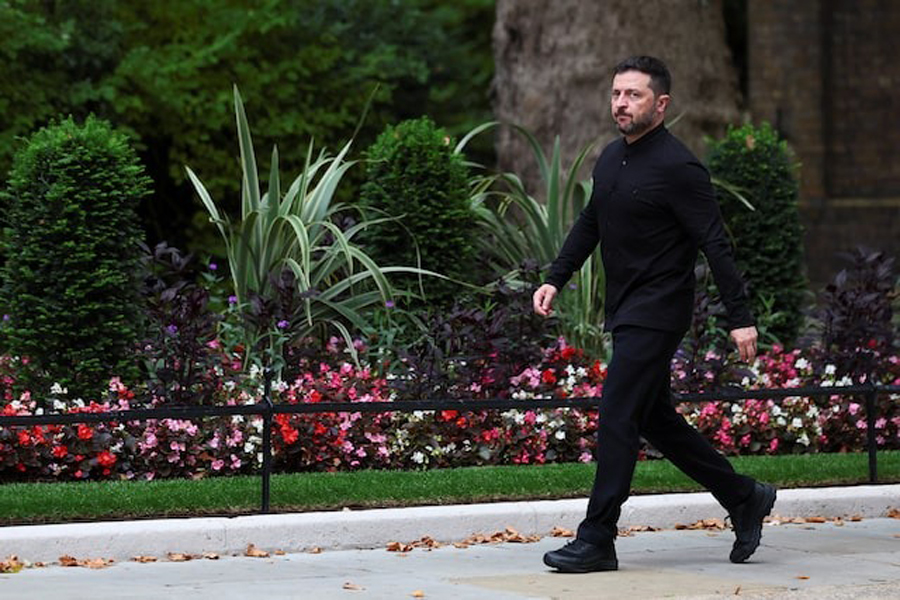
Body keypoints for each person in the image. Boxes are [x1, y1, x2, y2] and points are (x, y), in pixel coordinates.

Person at [533, 56, 776, 573]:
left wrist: (740, 316)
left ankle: (597, 537)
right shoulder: (611, 159)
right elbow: (590, 222)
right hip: (625, 308)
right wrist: (556, 276)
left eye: (634, 95)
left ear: (661, 104)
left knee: (617, 413)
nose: (621, 103)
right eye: (617, 93)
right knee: (655, 421)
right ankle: (744, 497)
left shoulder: (679, 167)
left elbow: (715, 242)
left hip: (660, 310)